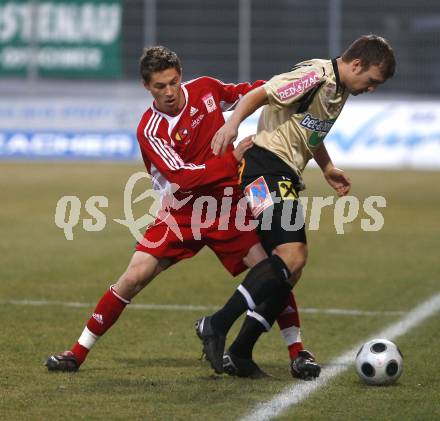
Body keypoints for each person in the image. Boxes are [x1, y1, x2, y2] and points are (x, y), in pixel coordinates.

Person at [45, 46, 313, 379]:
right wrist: (232, 158)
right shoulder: (150, 130)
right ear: (147, 87)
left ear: (181, 75)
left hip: (230, 204)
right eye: (160, 86)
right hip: (182, 211)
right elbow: (184, 177)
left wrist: (289, 86)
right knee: (133, 277)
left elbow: (251, 92)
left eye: (173, 82)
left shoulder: (206, 90)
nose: (170, 92)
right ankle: (76, 352)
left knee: (274, 271)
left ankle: (297, 352)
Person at [197, 34, 396, 378]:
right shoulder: (316, 76)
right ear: (357, 64)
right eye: (372, 81)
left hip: (280, 174)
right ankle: (215, 324)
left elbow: (309, 131)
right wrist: (232, 124)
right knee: (292, 255)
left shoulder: (340, 90)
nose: (372, 88)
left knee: (291, 269)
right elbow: (261, 93)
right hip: (263, 168)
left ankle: (241, 352)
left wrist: (328, 166)